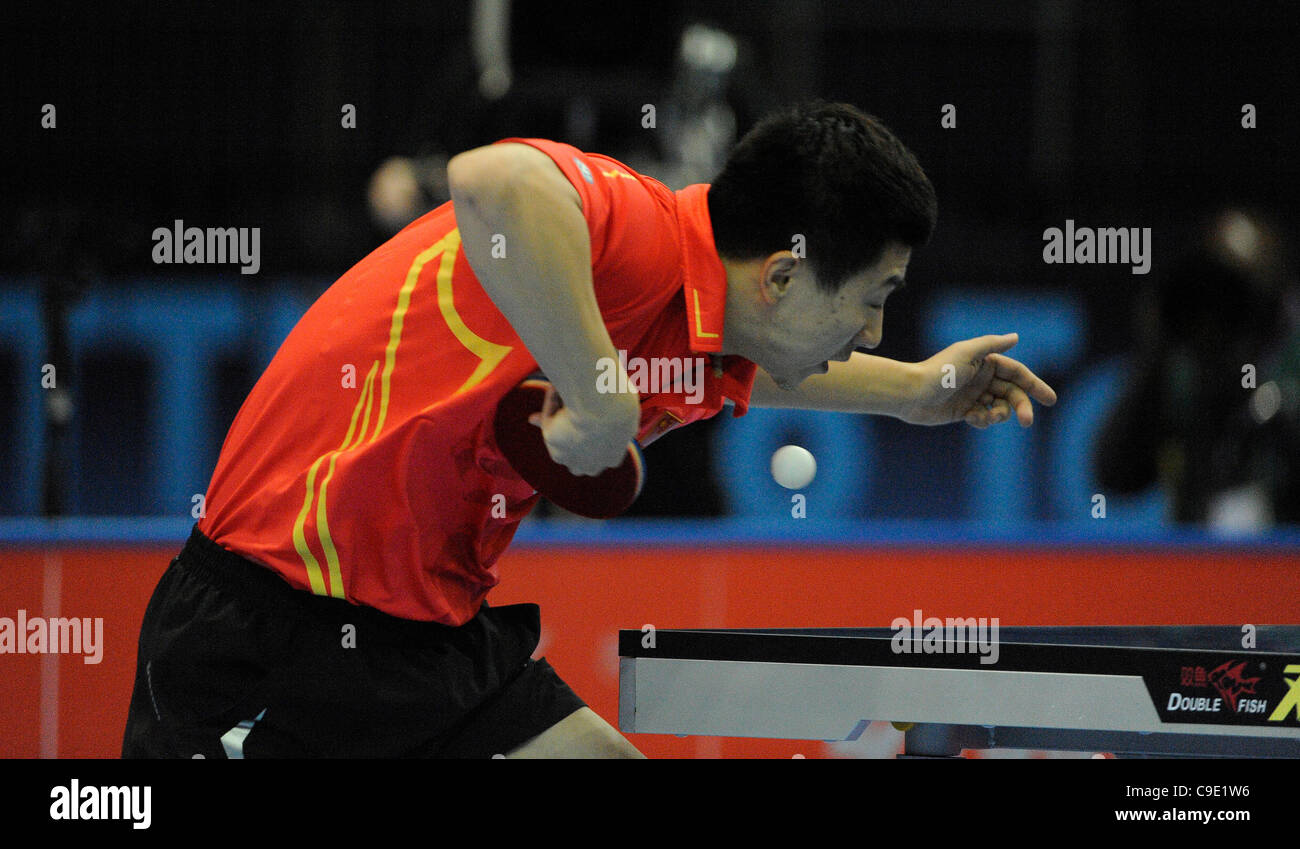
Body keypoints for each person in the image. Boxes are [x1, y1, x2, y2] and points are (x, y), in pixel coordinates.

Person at [122, 101, 1057, 759]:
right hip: (273, 622)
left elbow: (779, 375)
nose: (873, 332)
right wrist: (598, 389)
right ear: (781, 276)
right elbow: (491, 179)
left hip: (430, 643)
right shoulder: (641, 228)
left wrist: (917, 391)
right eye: (872, 300)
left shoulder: (702, 335)